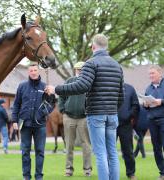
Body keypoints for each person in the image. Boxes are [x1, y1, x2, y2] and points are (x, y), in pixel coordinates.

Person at [45, 34, 124, 180]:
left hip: (96, 114)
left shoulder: (91, 63)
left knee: (100, 153)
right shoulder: (117, 65)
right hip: (112, 114)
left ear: (93, 47)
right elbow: (121, 95)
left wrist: (56, 89)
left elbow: (82, 85)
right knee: (112, 153)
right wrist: (112, 109)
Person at [12, 64, 55, 180]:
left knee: (40, 152)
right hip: (25, 124)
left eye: (35, 70)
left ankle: (39, 176)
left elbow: (52, 103)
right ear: (28, 72)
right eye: (31, 70)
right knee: (25, 152)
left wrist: (42, 112)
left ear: (38, 71)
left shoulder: (45, 86)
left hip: (40, 125)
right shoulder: (22, 86)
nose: (33, 72)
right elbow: (16, 104)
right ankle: (26, 176)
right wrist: (14, 120)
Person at [58, 61, 92, 177]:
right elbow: (61, 96)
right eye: (78, 69)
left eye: (82, 69)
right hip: (69, 117)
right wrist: (62, 110)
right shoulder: (69, 81)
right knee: (69, 145)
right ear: (75, 70)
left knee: (86, 145)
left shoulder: (89, 83)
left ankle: (87, 169)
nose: (79, 71)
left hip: (84, 118)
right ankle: (68, 169)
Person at [143, 65, 164, 180]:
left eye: (153, 73)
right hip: (152, 121)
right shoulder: (148, 88)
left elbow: (160, 101)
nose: (150, 76)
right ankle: (162, 172)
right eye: (149, 74)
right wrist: (145, 104)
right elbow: (146, 106)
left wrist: (161, 101)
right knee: (156, 148)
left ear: (159, 73)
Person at [117, 83, 139, 180]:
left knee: (128, 150)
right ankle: (108, 173)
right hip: (110, 124)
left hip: (125, 125)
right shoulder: (109, 88)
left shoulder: (130, 88)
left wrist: (129, 115)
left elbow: (136, 105)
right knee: (108, 150)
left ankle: (131, 173)